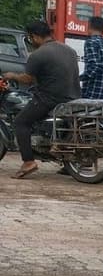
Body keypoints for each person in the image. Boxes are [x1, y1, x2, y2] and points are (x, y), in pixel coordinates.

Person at [2, 21, 80, 179]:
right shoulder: (69, 50)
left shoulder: (38, 54)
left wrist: (11, 75)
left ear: (35, 36)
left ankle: (28, 162)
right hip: (73, 96)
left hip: (50, 98)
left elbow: (27, 79)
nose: (31, 41)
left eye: (31, 38)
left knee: (20, 122)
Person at [79, 16, 103, 101]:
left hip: (91, 97)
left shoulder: (90, 42)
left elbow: (94, 67)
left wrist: (77, 78)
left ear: (89, 27)